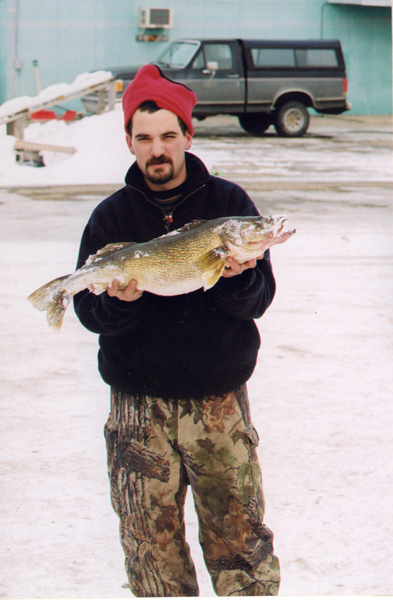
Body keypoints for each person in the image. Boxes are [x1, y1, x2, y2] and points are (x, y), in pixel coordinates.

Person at [74, 64, 280, 597]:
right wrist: (119, 305)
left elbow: (260, 300)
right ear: (129, 142)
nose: (157, 150)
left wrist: (238, 279)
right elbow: (90, 315)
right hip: (137, 409)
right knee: (151, 552)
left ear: (188, 134)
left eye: (168, 135)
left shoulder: (229, 209)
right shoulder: (110, 219)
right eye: (144, 139)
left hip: (218, 406)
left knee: (241, 546)